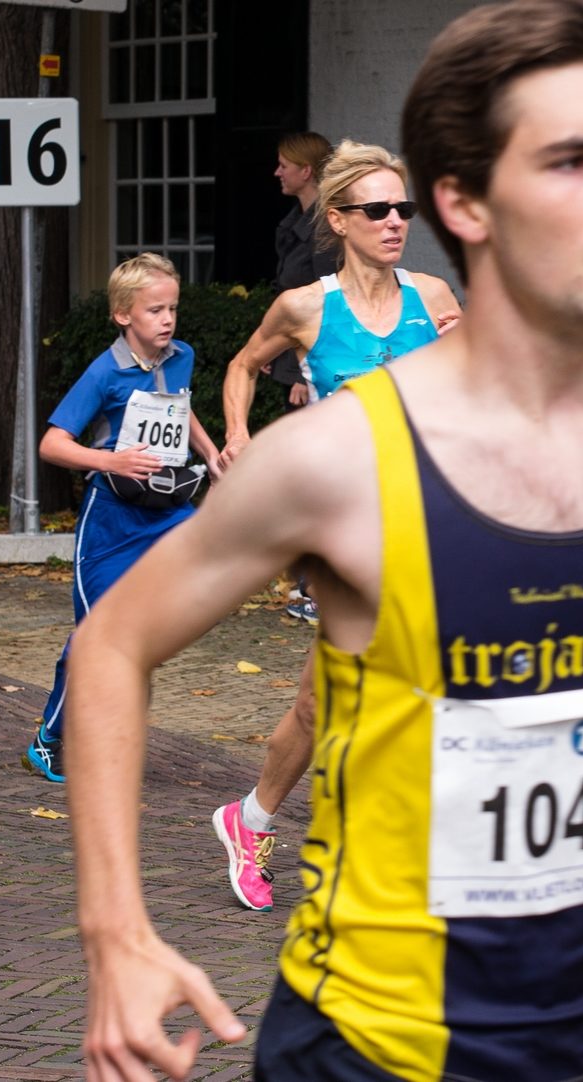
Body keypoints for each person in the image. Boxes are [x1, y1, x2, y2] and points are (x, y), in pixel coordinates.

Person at [67, 3, 583, 1079]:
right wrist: (115, 928)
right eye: (575, 159)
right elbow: (114, 641)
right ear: (467, 200)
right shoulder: (340, 459)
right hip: (367, 1042)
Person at [207, 139, 460, 911]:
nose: (395, 223)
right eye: (377, 210)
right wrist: (240, 436)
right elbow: (244, 365)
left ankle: (249, 820)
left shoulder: (436, 298)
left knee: (325, 703)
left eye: (403, 210)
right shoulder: (305, 309)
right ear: (339, 219)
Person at [23, 253, 219, 784]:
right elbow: (52, 444)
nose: (167, 319)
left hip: (167, 509)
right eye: (155, 310)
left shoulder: (182, 356)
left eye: (172, 308)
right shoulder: (104, 372)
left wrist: (211, 451)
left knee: (208, 566)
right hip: (110, 519)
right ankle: (50, 737)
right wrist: (110, 459)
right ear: (123, 316)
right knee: (92, 637)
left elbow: (181, 405)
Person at [267, 132, 334, 414]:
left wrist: (303, 375)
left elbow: (329, 302)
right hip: (292, 355)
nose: (277, 172)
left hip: (311, 369)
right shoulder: (297, 223)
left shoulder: (325, 231)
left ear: (306, 171)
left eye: (284, 165)